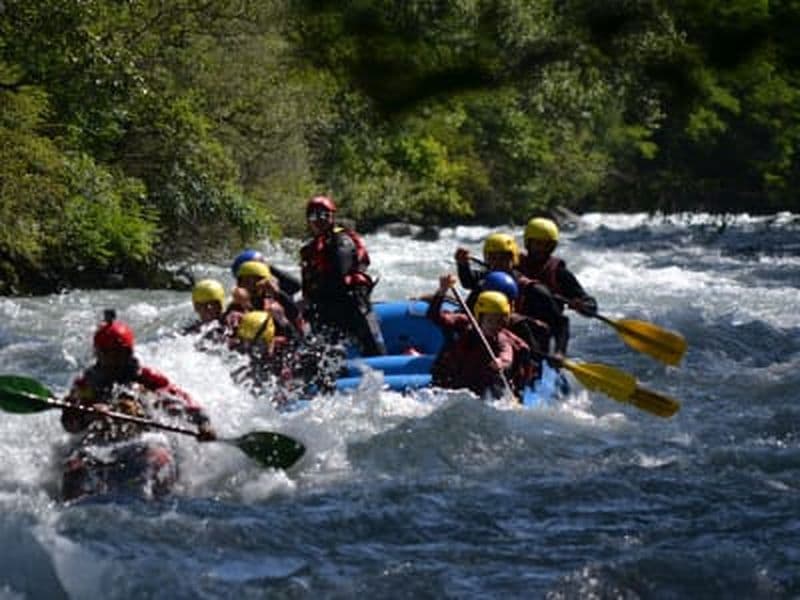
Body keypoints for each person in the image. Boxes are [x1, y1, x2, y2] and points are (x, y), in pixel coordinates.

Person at [61, 311, 216, 500]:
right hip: (99, 445)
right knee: (74, 468)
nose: (117, 360)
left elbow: (181, 401)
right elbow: (69, 423)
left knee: (159, 457)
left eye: (122, 353)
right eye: (110, 354)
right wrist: (89, 416)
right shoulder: (86, 384)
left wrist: (203, 423)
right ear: (99, 354)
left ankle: (158, 509)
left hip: (143, 442)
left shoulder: (146, 378)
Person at [299, 195, 386, 356]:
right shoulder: (309, 250)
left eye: (324, 215)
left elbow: (340, 274)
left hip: (353, 305)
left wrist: (314, 295)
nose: (319, 220)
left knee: (375, 350)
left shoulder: (342, 241)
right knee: (324, 353)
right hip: (326, 309)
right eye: (313, 216)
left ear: (332, 216)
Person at [427, 275, 531, 400]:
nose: (496, 325)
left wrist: (501, 363)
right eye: (492, 319)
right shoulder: (462, 323)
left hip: (478, 395)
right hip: (452, 385)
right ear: (480, 316)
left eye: (501, 320)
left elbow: (507, 355)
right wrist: (442, 291)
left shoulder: (502, 339)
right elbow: (434, 316)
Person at [230, 260, 305, 340]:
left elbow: (296, 321)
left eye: (255, 281)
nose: (251, 286)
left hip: (282, 342)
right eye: (246, 281)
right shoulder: (237, 306)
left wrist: (282, 320)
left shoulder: (276, 304)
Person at [454, 232, 519, 308]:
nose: (498, 262)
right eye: (493, 258)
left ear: (513, 259)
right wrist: (463, 264)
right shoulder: (484, 278)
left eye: (503, 258)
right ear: (487, 259)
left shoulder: (520, 282)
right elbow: (468, 282)